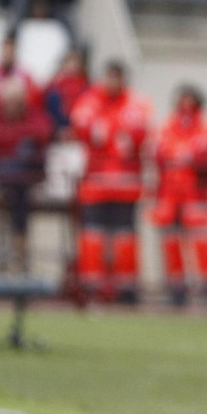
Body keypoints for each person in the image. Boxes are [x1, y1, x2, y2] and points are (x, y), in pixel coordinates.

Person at [70, 61, 151, 303]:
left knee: (124, 238)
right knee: (93, 236)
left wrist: (108, 133)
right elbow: (82, 127)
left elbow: (138, 134)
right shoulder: (89, 102)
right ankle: (92, 286)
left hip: (126, 187)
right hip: (95, 185)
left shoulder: (136, 105)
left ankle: (125, 288)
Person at [152, 85, 207, 306]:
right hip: (170, 195)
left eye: (189, 100)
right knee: (171, 241)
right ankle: (176, 286)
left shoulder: (206, 127)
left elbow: (202, 149)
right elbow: (161, 151)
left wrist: (182, 155)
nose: (185, 106)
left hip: (195, 195)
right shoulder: (168, 126)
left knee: (201, 241)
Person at [0, 75, 54, 273]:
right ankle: (19, 248)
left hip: (27, 178)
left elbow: (43, 132)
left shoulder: (35, 115)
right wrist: (17, 141)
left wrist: (13, 144)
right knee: (14, 178)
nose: (11, 106)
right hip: (6, 179)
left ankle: (10, 253)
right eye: (8, 101)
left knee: (19, 169)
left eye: (16, 101)